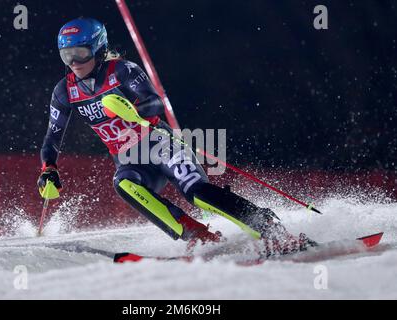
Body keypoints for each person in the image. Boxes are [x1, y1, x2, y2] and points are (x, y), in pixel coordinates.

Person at [37, 17, 314, 254]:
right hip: (130, 159)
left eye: (80, 53)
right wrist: (49, 168)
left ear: (98, 49)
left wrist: (136, 112)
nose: (74, 62)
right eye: (66, 56)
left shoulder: (122, 71)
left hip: (162, 145)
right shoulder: (65, 91)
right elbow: (53, 137)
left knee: (197, 194)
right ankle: (197, 235)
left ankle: (272, 230)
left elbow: (154, 102)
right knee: (124, 184)